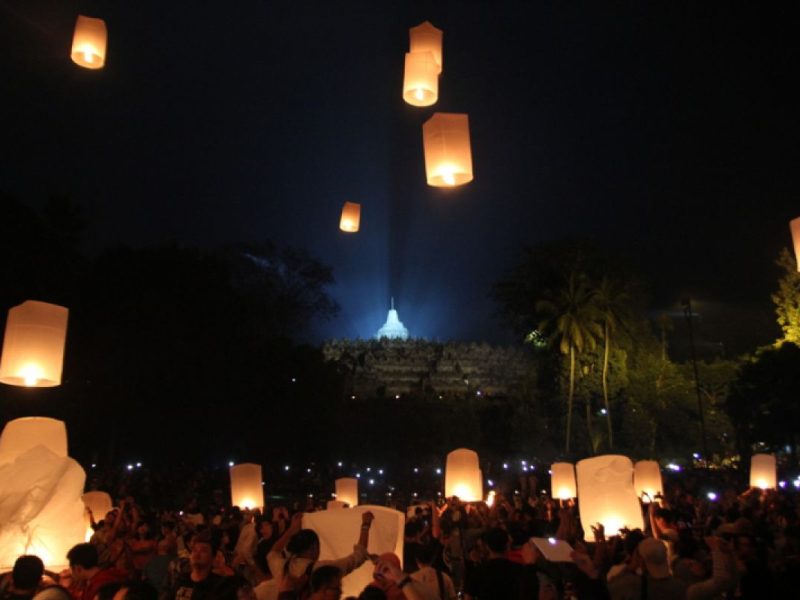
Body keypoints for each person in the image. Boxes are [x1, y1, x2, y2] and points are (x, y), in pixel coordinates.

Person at [170, 531, 239, 600]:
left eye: (203, 551)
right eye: (194, 550)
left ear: (213, 558)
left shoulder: (221, 586)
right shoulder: (181, 580)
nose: (197, 554)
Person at [462, 527, 524, 600]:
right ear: (507, 546)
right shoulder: (519, 570)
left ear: (488, 547)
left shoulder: (479, 571)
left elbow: (468, 596)